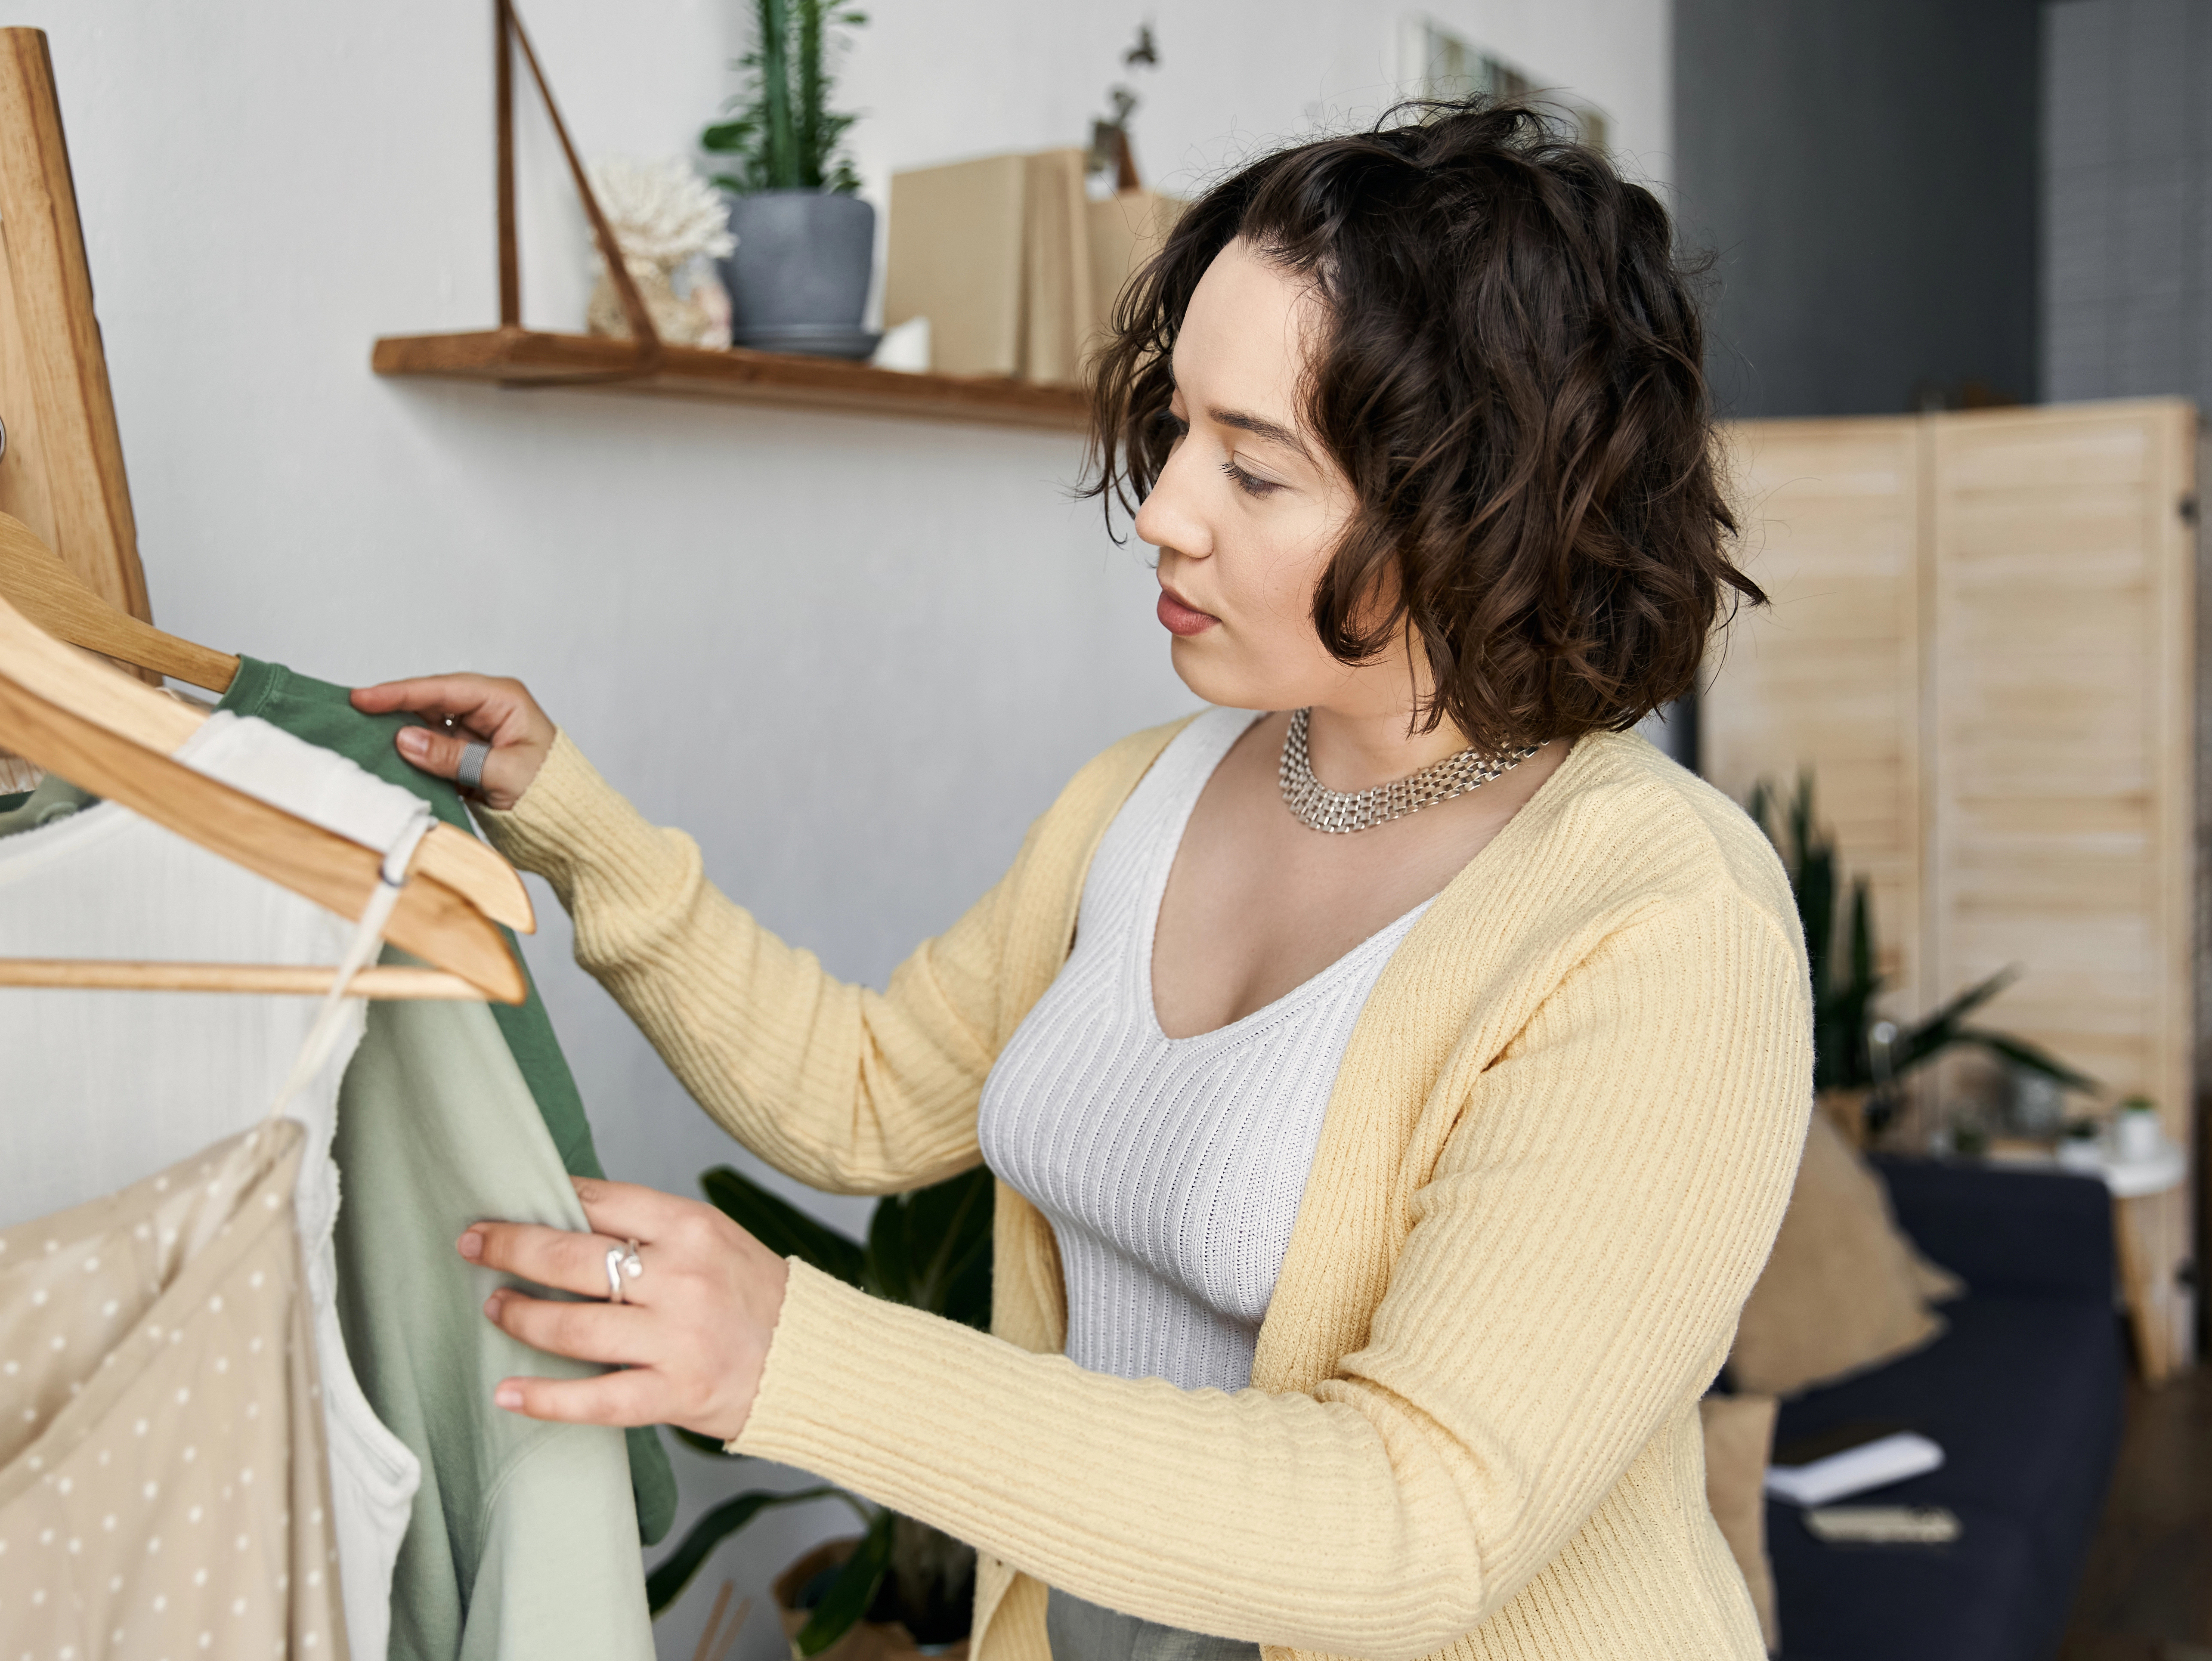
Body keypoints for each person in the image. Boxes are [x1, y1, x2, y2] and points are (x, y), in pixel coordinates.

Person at [354, 101, 1811, 1661]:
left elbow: (1413, 1519)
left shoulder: (1662, 927)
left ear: (1479, 505)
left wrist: (801, 1355)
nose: (1165, 511)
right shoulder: (1147, 793)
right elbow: (859, 1095)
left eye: (1253, 472)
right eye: (1177, 425)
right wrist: (571, 819)